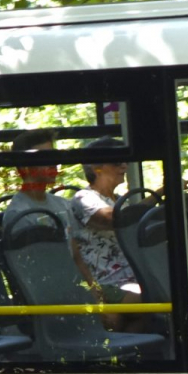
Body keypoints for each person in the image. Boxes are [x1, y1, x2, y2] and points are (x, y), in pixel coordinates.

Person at [70, 137, 152, 331]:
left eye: (125, 161)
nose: (124, 166)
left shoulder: (116, 201)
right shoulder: (84, 199)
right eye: (117, 161)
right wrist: (161, 193)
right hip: (108, 281)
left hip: (132, 278)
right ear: (97, 167)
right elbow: (114, 220)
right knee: (159, 301)